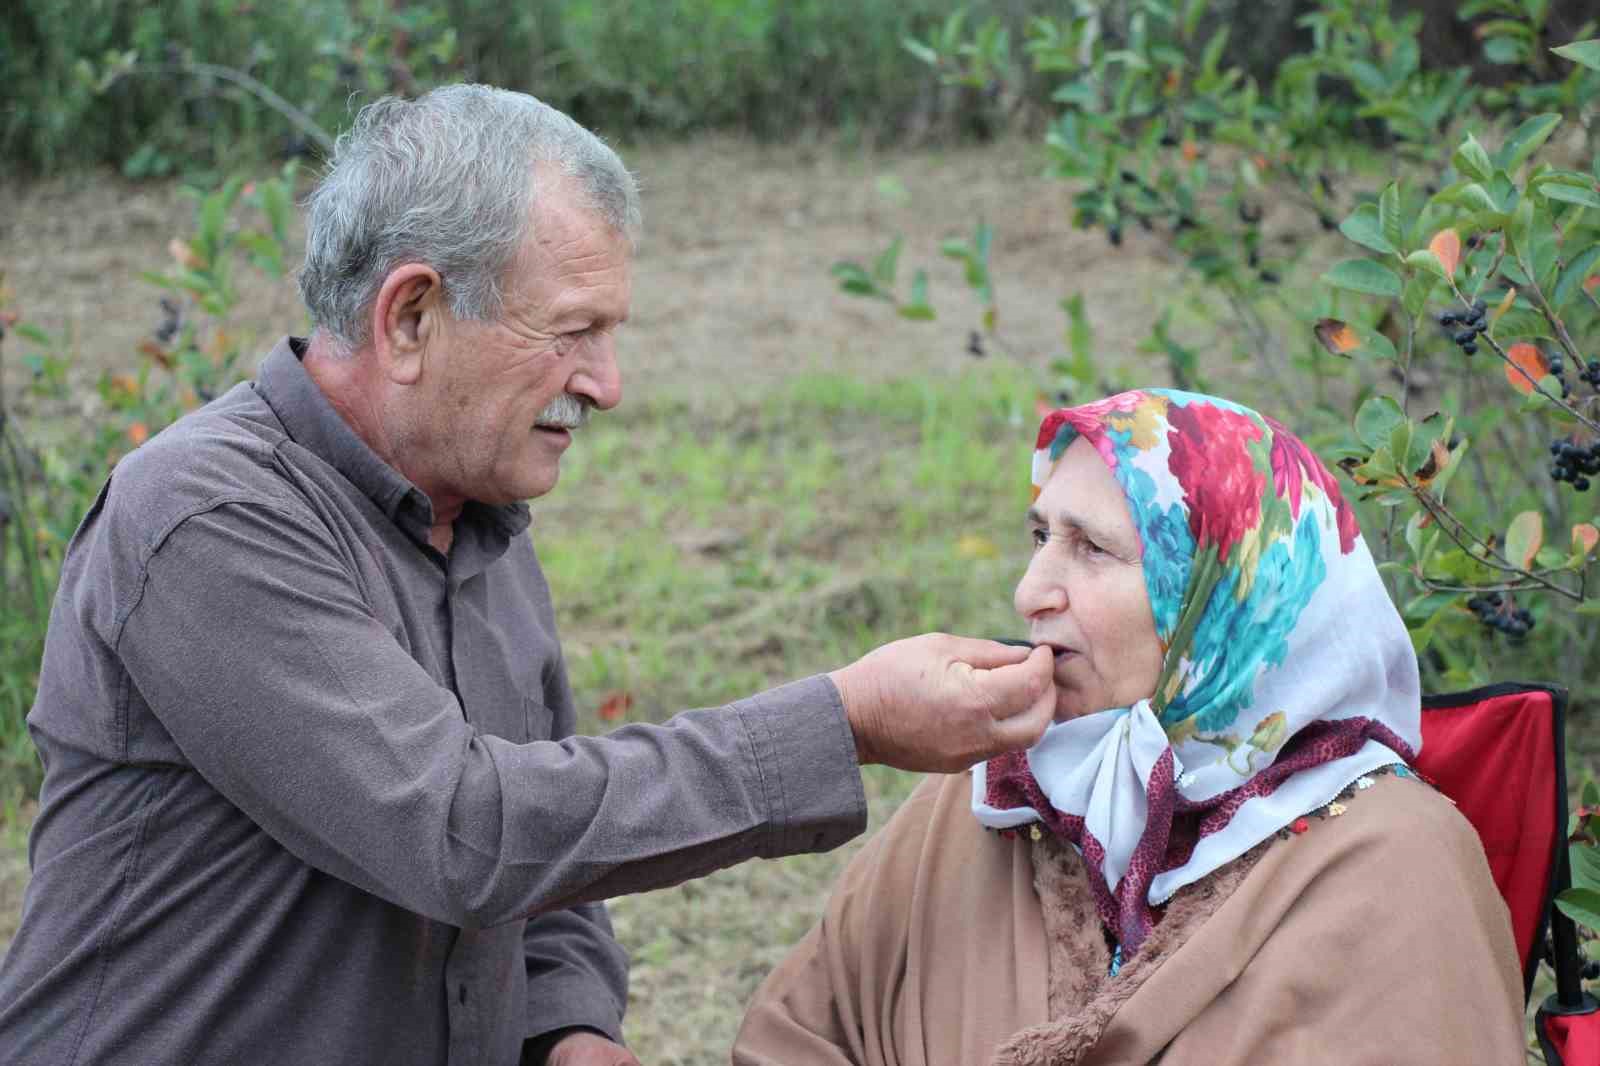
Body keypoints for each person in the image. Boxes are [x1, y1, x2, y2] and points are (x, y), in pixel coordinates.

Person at [0, 86, 1057, 1066]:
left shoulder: (476, 517)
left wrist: (566, 1025)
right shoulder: (207, 518)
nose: (608, 383)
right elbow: (461, 831)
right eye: (572, 332)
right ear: (411, 318)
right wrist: (843, 722)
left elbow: (547, 846)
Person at [734, 388, 1527, 1065]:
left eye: (1091, 549)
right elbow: (798, 1036)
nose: (1029, 593)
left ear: (1221, 595)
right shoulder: (985, 798)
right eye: (1041, 536)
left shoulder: (1396, 865)